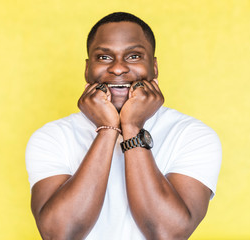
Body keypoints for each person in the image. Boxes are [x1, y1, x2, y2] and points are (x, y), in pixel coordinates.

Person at [26, 12, 221, 240]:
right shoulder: (51, 137)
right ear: (87, 69)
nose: (118, 69)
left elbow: (167, 233)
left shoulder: (192, 135)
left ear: (154, 67)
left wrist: (133, 127)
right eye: (105, 58)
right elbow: (60, 234)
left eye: (134, 56)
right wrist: (108, 130)